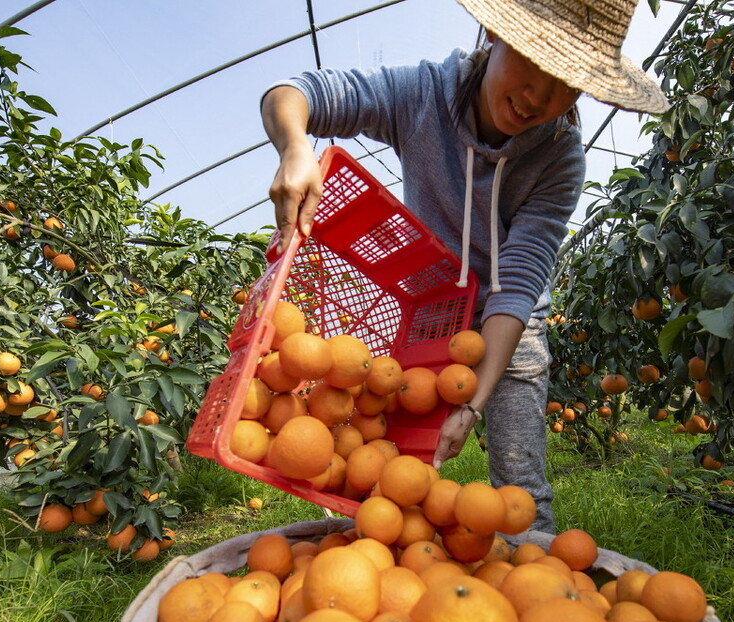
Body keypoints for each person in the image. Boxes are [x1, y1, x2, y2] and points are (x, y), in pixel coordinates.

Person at [261, 0, 668, 535]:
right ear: (495, 36)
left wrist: (473, 403)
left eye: (567, 83)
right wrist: (295, 146)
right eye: (533, 63)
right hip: (429, 313)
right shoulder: (424, 94)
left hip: (509, 326)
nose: (539, 97)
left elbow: (519, 280)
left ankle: (535, 588)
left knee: (520, 486)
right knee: (390, 475)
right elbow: (296, 92)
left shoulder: (560, 158)